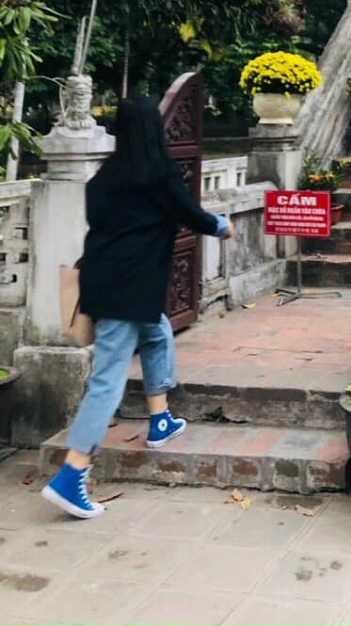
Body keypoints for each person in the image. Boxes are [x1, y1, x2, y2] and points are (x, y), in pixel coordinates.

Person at [41, 97, 234, 520]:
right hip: (129, 290)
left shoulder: (102, 179)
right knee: (107, 379)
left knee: (158, 331)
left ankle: (160, 419)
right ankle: (72, 473)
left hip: (106, 280)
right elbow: (189, 213)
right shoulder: (158, 174)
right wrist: (221, 225)